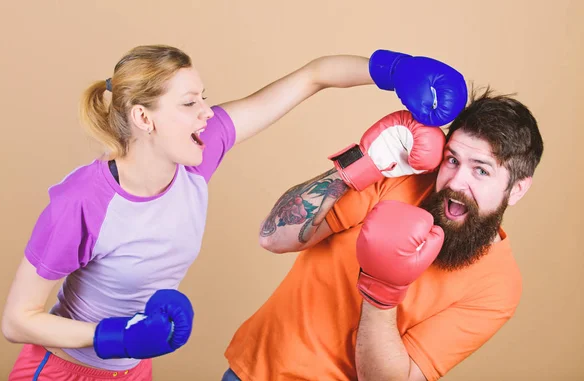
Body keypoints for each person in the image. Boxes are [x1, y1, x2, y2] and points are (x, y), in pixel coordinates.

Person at [1, 44, 468, 381]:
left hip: (134, 369)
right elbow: (17, 321)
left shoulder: (200, 151)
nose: (206, 113)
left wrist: (394, 68)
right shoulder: (83, 202)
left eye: (204, 97)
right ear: (145, 119)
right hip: (62, 369)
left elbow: (313, 75)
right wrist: (115, 338)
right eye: (189, 104)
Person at [222, 86, 544, 381]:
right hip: (255, 370)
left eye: (481, 170)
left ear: (517, 189)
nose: (457, 182)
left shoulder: (498, 287)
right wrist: (364, 161)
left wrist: (383, 290)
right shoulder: (401, 177)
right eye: (452, 160)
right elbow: (273, 236)